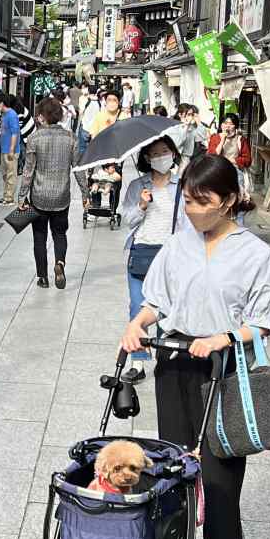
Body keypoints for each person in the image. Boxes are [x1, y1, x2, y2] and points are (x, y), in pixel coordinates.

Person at [120, 153, 270, 539]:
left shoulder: (256, 255)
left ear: (229, 200)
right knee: (173, 471)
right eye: (188, 200)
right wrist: (139, 322)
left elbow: (265, 323)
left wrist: (223, 338)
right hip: (175, 363)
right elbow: (157, 299)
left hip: (225, 370)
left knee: (218, 477)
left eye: (203, 201)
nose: (192, 210)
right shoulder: (178, 245)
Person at [117, 136, 183, 380]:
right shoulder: (137, 186)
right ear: (146, 158)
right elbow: (128, 220)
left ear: (174, 154)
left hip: (170, 256)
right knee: (138, 308)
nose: (161, 157)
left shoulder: (182, 186)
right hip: (141, 252)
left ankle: (165, 358)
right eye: (155, 154)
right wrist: (142, 205)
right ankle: (139, 363)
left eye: (165, 152)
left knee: (167, 310)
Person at [18, 97, 84, 289]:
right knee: (60, 234)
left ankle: (42, 278)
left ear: (41, 116)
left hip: (38, 196)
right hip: (62, 196)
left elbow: (28, 171)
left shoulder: (34, 139)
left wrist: (22, 197)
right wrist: (86, 194)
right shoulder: (70, 138)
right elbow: (78, 168)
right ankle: (60, 263)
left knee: (39, 237)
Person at [207, 112, 252, 200]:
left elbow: (248, 160)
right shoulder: (215, 138)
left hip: (235, 170)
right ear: (221, 125)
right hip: (218, 170)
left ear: (235, 126)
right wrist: (222, 140)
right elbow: (211, 156)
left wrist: (232, 160)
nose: (227, 126)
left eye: (231, 124)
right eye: (225, 123)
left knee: (238, 195)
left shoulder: (241, 140)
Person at [0, 92, 21, 207]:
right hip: (4, 150)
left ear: (1, 103)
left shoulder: (12, 115)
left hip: (10, 151)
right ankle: (6, 195)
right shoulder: (4, 115)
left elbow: (15, 133)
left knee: (11, 175)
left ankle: (9, 198)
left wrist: (11, 149)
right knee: (5, 175)